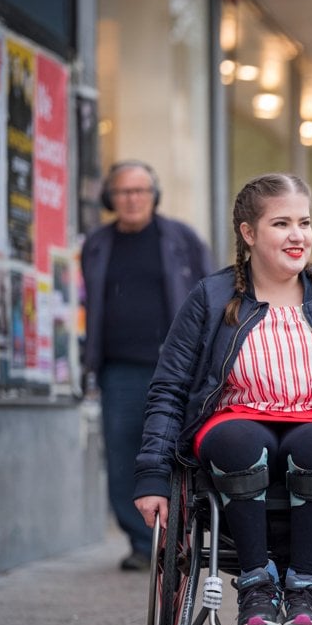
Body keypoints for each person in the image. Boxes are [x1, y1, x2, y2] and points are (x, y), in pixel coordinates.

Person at [132, 173, 312, 625]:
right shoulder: (211, 297)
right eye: (281, 223)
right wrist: (151, 475)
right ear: (249, 233)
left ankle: (305, 588)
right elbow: (170, 388)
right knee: (238, 439)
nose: (298, 235)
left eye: (303, 223)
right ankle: (255, 586)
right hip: (235, 421)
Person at [81, 160, 213, 571]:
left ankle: (180, 537)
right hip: (118, 368)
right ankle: (142, 543)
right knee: (123, 455)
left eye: (141, 191)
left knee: (177, 452)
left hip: (176, 370)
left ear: (154, 196)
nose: (133, 199)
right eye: (124, 192)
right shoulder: (97, 244)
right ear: (110, 198)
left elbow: (211, 296)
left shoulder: (182, 238)